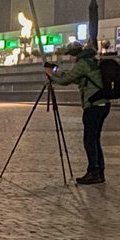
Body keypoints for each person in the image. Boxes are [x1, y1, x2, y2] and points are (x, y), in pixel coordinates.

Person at [48, 42, 110, 186]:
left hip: (93, 105)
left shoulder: (82, 64)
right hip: (104, 103)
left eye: (69, 55)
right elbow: (75, 78)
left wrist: (51, 76)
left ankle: (93, 172)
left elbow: (66, 80)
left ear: (73, 54)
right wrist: (57, 72)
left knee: (89, 140)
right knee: (95, 139)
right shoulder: (92, 61)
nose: (69, 58)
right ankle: (99, 171)